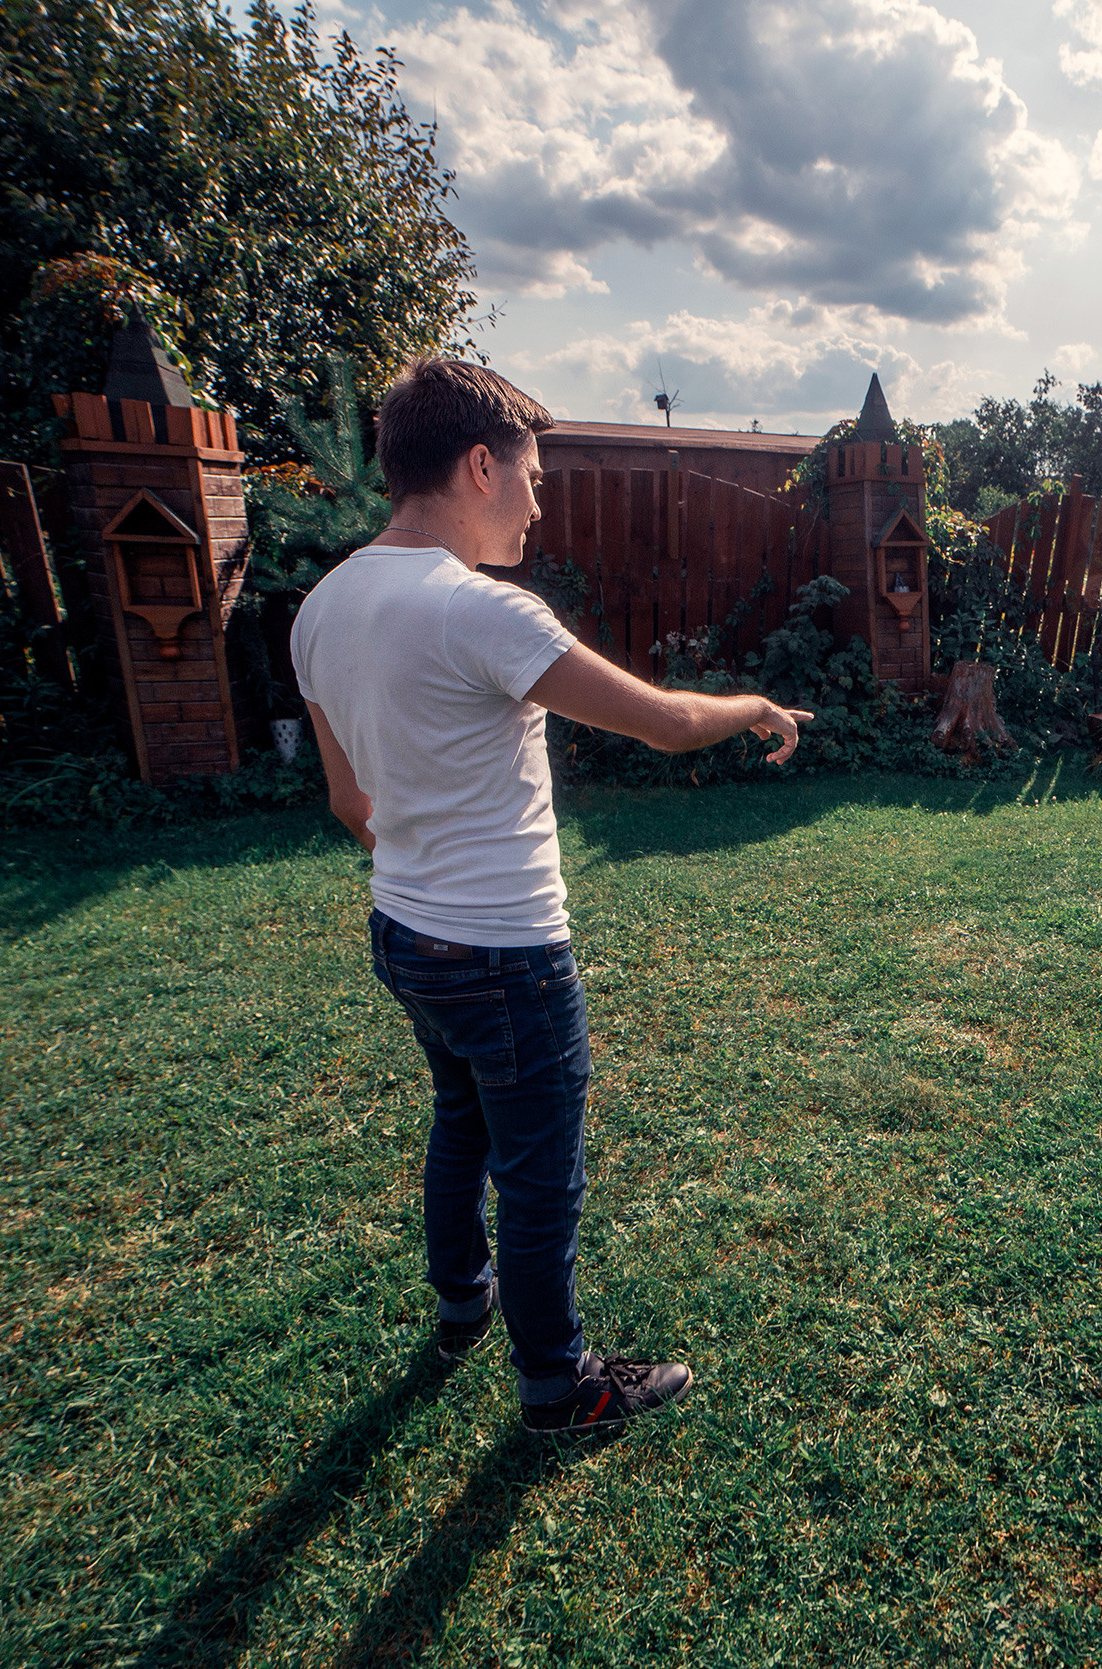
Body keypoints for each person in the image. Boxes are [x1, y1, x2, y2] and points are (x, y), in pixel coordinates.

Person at [291, 359, 812, 1436]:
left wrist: (427, 864)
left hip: (405, 932)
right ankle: (558, 1385)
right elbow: (664, 723)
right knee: (538, 1177)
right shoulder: (482, 609)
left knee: (459, 1121)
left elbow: (351, 800)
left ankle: (460, 1303)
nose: (538, 499)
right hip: (507, 953)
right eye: (533, 474)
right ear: (480, 465)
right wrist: (756, 702)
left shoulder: (322, 606)